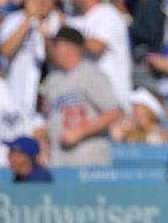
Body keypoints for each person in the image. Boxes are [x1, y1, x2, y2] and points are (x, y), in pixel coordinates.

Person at [38, 26, 123, 167]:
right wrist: (44, 147)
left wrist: (80, 132)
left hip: (88, 160)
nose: (52, 49)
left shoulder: (91, 74)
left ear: (70, 47)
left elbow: (114, 112)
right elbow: (48, 117)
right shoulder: (52, 79)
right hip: (58, 160)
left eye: (56, 44)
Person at [67, 0, 133, 107]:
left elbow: (96, 47)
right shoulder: (74, 20)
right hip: (87, 97)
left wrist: (67, 34)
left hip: (114, 96)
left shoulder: (107, 13)